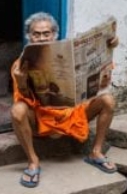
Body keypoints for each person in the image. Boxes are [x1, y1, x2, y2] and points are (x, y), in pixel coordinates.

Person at [10, 12, 119, 188]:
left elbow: (101, 80)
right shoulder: (20, 65)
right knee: (17, 110)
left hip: (73, 115)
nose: (41, 38)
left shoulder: (70, 58)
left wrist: (109, 46)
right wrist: (22, 82)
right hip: (42, 120)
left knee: (108, 100)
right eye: (36, 34)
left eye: (46, 33)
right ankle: (33, 161)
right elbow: (24, 99)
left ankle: (96, 152)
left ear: (54, 35)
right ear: (28, 36)